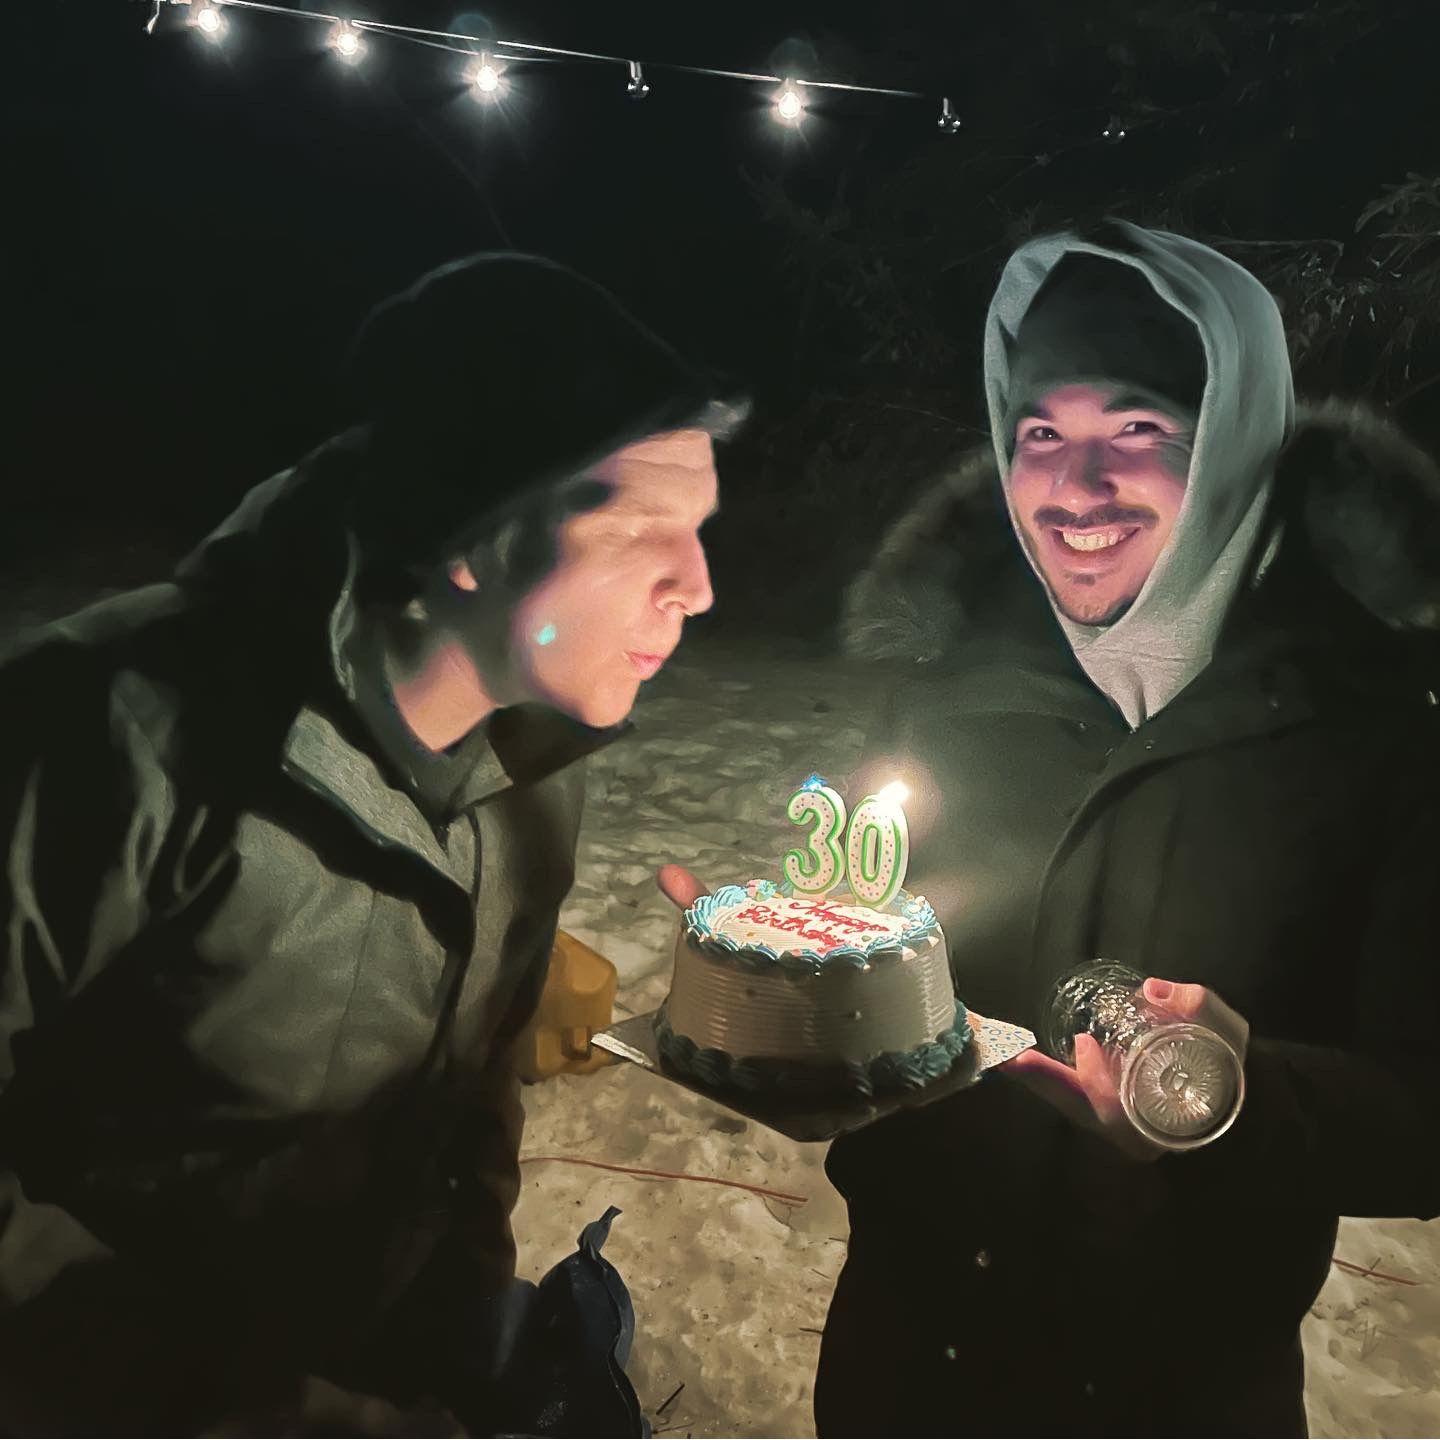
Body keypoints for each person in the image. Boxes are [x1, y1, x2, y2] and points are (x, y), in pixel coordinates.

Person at [0, 252, 738, 1434]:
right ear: (468, 536)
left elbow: (473, 1100)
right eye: (643, 528)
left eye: (700, 528)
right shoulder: (104, 735)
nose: (697, 585)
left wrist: (460, 1363)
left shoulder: (531, 773)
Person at [808, 220, 1440, 1436]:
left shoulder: (1375, 735)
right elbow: (876, 977)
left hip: (1181, 1396)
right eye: (1041, 432)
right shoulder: (941, 691)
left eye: (1137, 431)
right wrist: (787, 1005)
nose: (1074, 487)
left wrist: (1236, 1096)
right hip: (903, 1367)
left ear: (1237, 439)